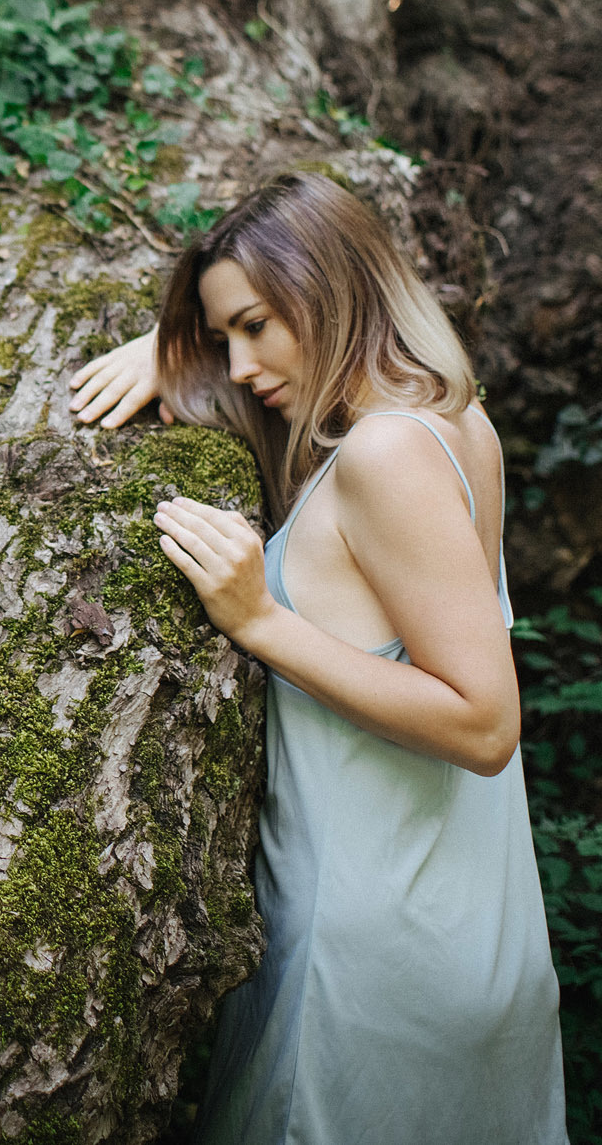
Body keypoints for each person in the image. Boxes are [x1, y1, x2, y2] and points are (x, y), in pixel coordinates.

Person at [67, 172, 567, 1144]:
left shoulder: (384, 455)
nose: (243, 363)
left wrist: (260, 621)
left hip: (368, 957)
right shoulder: (456, 426)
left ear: (327, 283)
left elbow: (483, 720)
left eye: (255, 324)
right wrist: (178, 352)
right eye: (223, 339)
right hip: (476, 934)